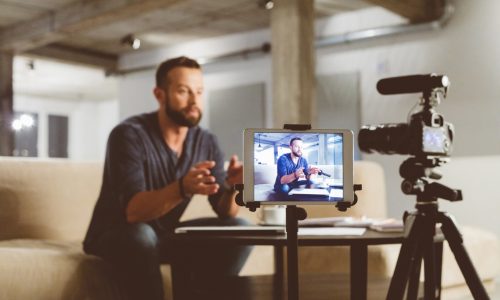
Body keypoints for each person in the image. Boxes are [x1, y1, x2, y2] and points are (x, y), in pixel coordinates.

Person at [83, 56, 251, 300]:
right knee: (141, 235)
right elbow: (133, 213)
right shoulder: (128, 135)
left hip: (164, 235)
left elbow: (225, 212)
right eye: (183, 91)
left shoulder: (206, 141)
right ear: (159, 94)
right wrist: (182, 188)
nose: (194, 101)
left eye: (199, 91)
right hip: (116, 235)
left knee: (241, 228)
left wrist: (233, 187)